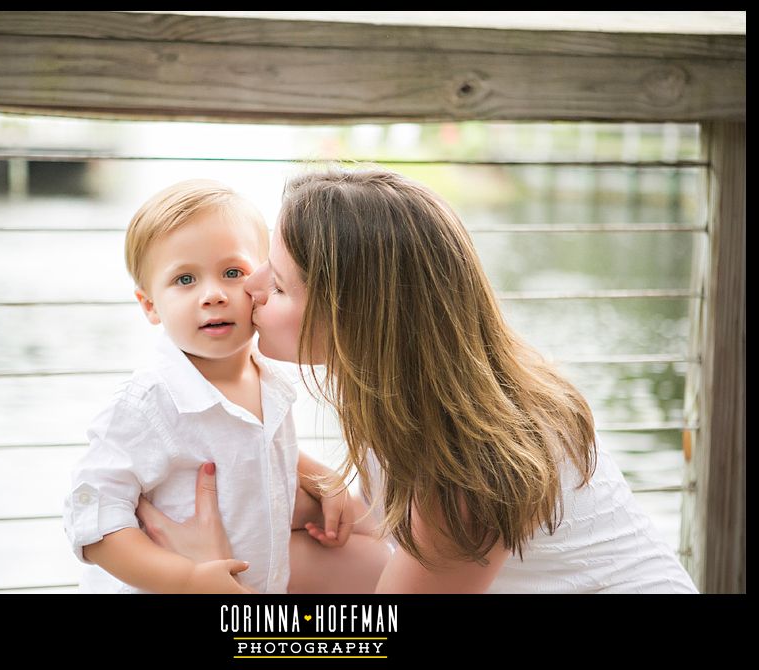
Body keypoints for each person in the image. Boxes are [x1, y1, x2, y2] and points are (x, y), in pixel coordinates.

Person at [135, 167, 699, 594]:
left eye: (278, 285)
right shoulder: (415, 387)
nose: (249, 287)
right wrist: (328, 496)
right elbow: (402, 530)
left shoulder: (468, 464)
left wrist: (208, 590)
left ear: (354, 319)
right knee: (267, 551)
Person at [62, 179, 379, 593]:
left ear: (264, 279)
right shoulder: (149, 403)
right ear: (150, 306)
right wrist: (186, 579)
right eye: (185, 280)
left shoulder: (267, 375)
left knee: (373, 544)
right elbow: (94, 518)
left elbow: (246, 442)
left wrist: (318, 475)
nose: (212, 295)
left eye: (232, 273)